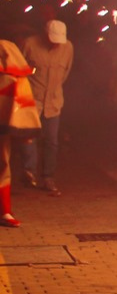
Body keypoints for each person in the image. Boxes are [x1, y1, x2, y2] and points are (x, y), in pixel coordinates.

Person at [20, 18, 73, 196]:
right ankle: (29, 172)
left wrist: (53, 91)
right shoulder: (30, 44)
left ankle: (48, 177)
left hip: (53, 101)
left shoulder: (68, 48)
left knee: (51, 141)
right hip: (32, 100)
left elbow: (65, 72)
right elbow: (20, 70)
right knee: (29, 137)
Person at [0, 40, 42, 227]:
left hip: (2, 128)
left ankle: (4, 211)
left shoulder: (15, 76)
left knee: (2, 166)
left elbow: (21, 104)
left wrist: (24, 128)